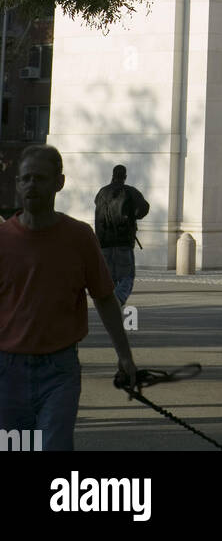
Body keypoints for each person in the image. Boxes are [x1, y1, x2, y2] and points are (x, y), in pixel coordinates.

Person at [0, 146, 137, 450]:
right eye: (25, 179)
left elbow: (104, 298)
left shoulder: (79, 237)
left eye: (40, 178)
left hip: (59, 372)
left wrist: (124, 355)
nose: (31, 185)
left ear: (59, 182)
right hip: (7, 372)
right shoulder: (3, 240)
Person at [93, 164, 150, 306]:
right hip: (123, 241)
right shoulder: (130, 192)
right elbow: (144, 208)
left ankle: (110, 302)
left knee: (110, 277)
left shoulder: (102, 192)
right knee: (127, 276)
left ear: (112, 175)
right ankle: (117, 299)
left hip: (105, 242)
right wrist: (132, 216)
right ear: (124, 176)